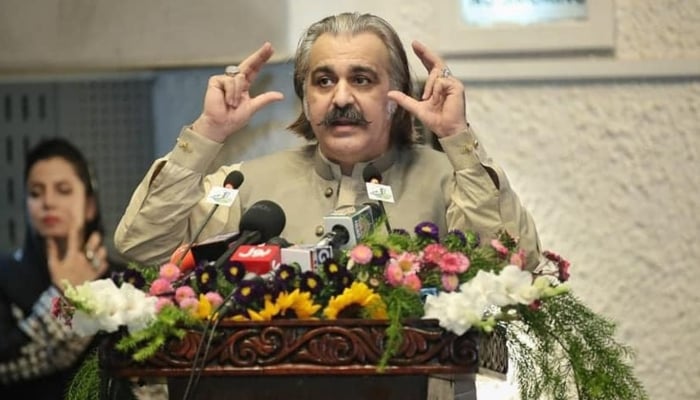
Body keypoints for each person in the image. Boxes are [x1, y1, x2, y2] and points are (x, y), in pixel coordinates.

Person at [115, 11, 540, 269]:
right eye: (323, 81)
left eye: (362, 79)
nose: (340, 98)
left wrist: (456, 138)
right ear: (304, 97)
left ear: (397, 96)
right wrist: (208, 131)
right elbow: (144, 246)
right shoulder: (244, 187)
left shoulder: (451, 181)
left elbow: (512, 263)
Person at [0, 138, 112, 399]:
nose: (48, 201)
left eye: (63, 190)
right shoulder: (4, 276)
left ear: (89, 205)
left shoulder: (119, 280)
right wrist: (64, 295)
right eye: (35, 193)